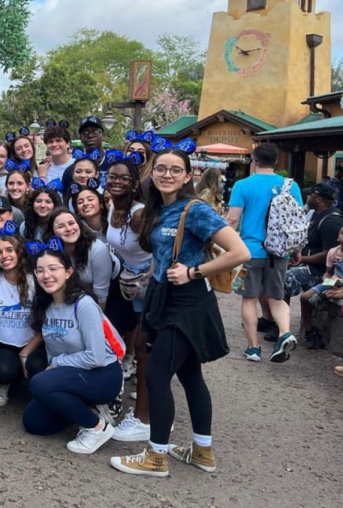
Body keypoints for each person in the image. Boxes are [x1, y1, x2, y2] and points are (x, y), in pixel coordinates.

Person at [110, 148, 249, 478]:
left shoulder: (195, 210)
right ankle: (202, 452)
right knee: (189, 375)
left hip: (188, 303)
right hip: (165, 299)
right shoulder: (160, 209)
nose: (167, 175)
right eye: (161, 169)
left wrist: (194, 272)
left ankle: (155, 456)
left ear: (188, 176)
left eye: (175, 170)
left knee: (157, 375)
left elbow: (239, 251)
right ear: (152, 174)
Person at [23, 243, 124, 454]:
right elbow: (53, 350)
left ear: (68, 272)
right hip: (73, 374)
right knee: (34, 422)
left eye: (53, 269)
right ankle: (86, 409)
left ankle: (97, 427)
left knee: (39, 383)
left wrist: (56, 366)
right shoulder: (47, 306)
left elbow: (95, 356)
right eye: (40, 271)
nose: (46, 275)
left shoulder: (84, 304)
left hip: (103, 374)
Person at [226, 143, 302, 363]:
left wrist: (226, 249)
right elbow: (295, 223)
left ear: (254, 160)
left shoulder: (243, 185)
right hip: (279, 251)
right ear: (276, 161)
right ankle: (285, 332)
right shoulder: (290, 186)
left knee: (249, 299)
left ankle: (253, 349)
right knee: (276, 297)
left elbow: (232, 220)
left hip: (249, 251)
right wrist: (296, 250)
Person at [103, 158, 155, 444]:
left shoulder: (138, 215)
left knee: (144, 347)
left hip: (150, 285)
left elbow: (160, 246)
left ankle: (147, 418)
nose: (117, 181)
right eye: (112, 177)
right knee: (134, 343)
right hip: (129, 286)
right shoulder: (113, 207)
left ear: (134, 183)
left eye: (124, 178)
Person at [0, 235, 43, 407]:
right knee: (1, 370)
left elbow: (47, 323)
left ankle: (30, 381)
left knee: (39, 368)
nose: (4, 255)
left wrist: (26, 352)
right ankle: (7, 381)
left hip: (35, 342)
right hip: (4, 343)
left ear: (19, 252)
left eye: (9, 250)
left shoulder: (36, 281)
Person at [285, 183, 343, 338]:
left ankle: (284, 328)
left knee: (285, 280)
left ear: (318, 199)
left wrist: (301, 259)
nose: (307, 197)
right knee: (275, 275)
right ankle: (277, 322)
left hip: (319, 271)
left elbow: (327, 254)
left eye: (310, 195)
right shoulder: (313, 215)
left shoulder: (331, 222)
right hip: (321, 272)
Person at [47, 208, 118, 307]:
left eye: (71, 223)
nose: (68, 229)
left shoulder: (97, 249)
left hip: (110, 294)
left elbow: (101, 295)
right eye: (61, 226)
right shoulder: (51, 252)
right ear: (52, 232)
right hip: (76, 295)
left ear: (79, 225)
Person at [301, 224, 343, 349]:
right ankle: (309, 330)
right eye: (342, 233)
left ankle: (323, 296)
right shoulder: (333, 252)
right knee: (305, 297)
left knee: (333, 293)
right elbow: (328, 272)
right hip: (332, 282)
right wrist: (327, 280)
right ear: (337, 237)